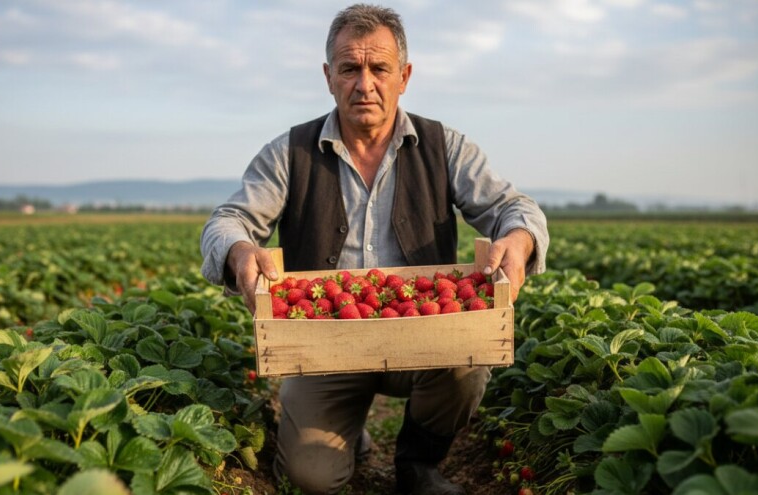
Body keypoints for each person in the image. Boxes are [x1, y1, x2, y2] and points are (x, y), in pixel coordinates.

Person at [200, 4, 548, 494]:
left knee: (469, 362)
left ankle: (418, 462)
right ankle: (349, 430)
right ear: (328, 77)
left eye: (379, 68)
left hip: (423, 336)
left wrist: (520, 238)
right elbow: (228, 219)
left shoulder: (443, 146)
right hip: (322, 345)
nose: (365, 84)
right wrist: (238, 251)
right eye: (349, 69)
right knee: (312, 478)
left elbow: (513, 207)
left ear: (404, 76)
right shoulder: (290, 152)